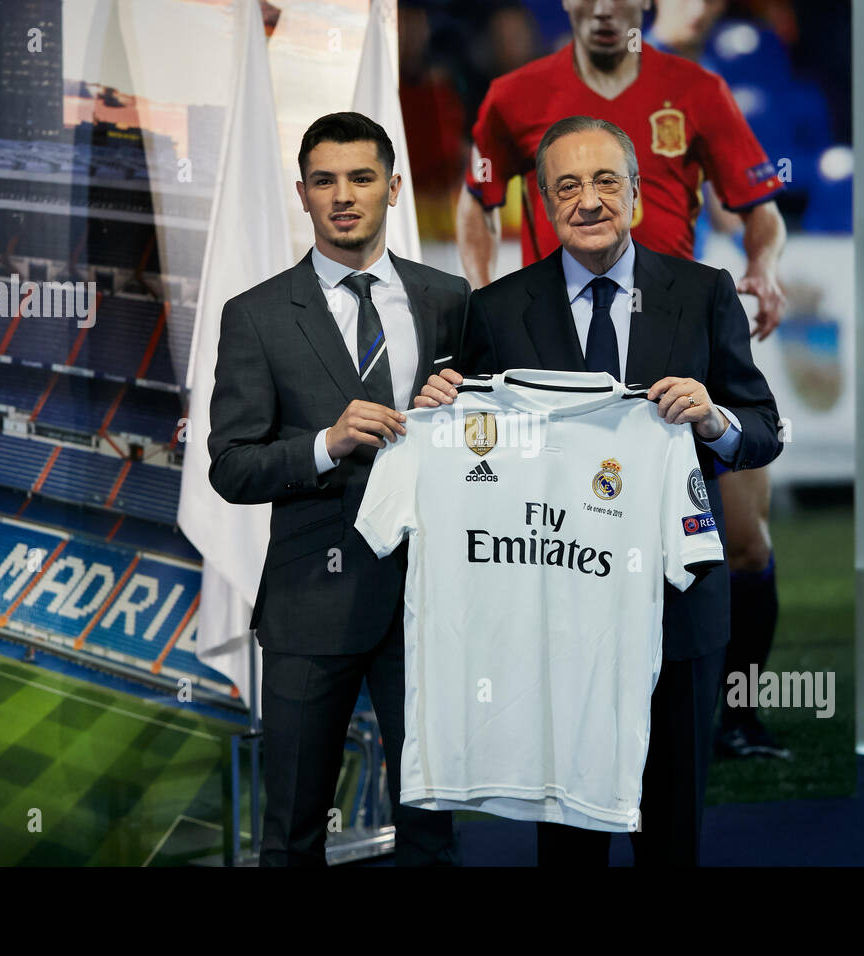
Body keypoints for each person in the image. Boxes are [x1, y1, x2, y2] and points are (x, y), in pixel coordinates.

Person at [420, 116, 781, 865]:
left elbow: (765, 429)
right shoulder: (493, 310)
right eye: (568, 187)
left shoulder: (704, 292)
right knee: (570, 834)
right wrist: (440, 413)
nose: (589, 201)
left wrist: (714, 421)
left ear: (639, 195)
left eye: (606, 180)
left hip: (680, 603)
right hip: (559, 605)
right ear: (545, 206)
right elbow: (467, 443)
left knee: (672, 826)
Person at [458, 0, 791, 761]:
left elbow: (759, 210)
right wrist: (479, 295)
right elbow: (473, 204)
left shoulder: (698, 90)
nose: (605, 8)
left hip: (684, 342)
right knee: (563, 541)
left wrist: (762, 268)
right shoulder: (513, 95)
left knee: (739, 542)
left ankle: (733, 713)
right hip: (557, 352)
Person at [208, 112, 465, 867]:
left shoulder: (451, 299)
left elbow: (486, 448)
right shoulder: (255, 315)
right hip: (309, 608)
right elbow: (231, 467)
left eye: (360, 178)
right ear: (302, 193)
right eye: (325, 181)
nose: (343, 196)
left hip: (429, 602)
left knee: (431, 829)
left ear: (393, 187)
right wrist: (327, 444)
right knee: (291, 833)